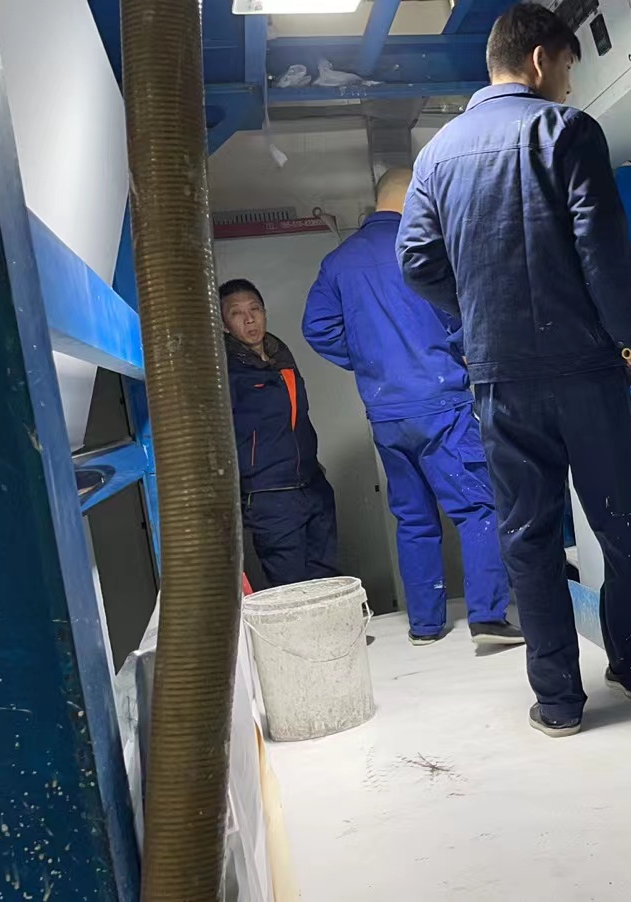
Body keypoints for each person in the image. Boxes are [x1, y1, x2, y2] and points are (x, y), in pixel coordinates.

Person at [398, 4, 631, 738]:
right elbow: (600, 244)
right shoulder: (566, 131)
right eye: (569, 67)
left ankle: (558, 703)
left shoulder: (436, 155)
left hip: (500, 378)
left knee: (527, 536)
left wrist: (480, 311)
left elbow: (415, 260)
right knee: (619, 523)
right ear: (541, 59)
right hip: (585, 370)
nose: (569, 85)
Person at [302, 169, 523, 648]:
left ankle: (425, 626)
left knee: (414, 519)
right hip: (440, 404)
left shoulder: (339, 261)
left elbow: (317, 328)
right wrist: (456, 351)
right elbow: (463, 315)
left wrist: (371, 360)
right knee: (479, 507)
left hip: (386, 412)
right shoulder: (425, 250)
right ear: (413, 197)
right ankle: (488, 616)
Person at [221, 278, 341, 588]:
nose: (249, 319)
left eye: (255, 309)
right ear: (224, 324)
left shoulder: (281, 357)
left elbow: (298, 418)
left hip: (312, 486)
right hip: (270, 497)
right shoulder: (224, 370)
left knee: (327, 580)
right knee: (292, 588)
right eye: (236, 313)